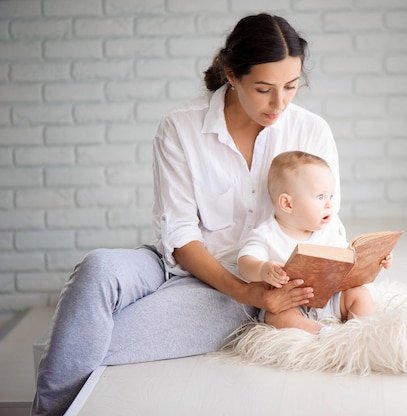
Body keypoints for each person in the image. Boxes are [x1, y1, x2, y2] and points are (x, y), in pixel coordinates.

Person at [32, 13, 342, 416]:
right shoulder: (180, 126)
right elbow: (178, 233)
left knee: (84, 341)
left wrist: (262, 292)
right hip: (177, 262)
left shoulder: (311, 131)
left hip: (253, 284)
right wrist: (241, 288)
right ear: (231, 74)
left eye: (290, 87)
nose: (279, 103)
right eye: (264, 89)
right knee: (97, 267)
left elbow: (326, 220)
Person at [238, 151, 393, 335]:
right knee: (276, 317)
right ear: (287, 204)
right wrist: (263, 269)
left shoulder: (328, 230)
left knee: (360, 294)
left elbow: (347, 258)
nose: (329, 205)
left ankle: (364, 334)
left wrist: (375, 259)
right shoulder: (267, 234)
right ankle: (324, 333)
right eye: (320, 197)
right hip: (291, 302)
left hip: (331, 298)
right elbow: (244, 263)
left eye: (331, 197)